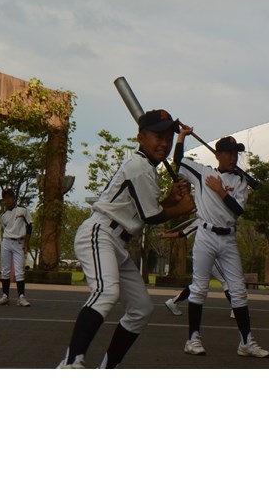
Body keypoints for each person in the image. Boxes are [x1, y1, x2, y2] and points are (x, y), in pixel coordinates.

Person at [57, 109, 195, 368]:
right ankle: (70, 363)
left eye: (168, 138)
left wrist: (171, 199)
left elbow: (146, 209)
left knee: (141, 309)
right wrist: (181, 208)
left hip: (116, 241)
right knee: (106, 292)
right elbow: (151, 216)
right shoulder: (139, 167)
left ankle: (109, 368)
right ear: (140, 138)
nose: (164, 143)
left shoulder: (146, 168)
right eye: (158, 136)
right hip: (99, 233)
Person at [174, 124, 269, 358]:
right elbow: (178, 161)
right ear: (218, 155)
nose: (233, 157)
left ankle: (246, 342)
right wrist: (182, 136)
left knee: (238, 290)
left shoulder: (240, 181)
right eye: (229, 153)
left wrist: (220, 190)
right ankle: (192, 339)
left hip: (228, 238)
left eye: (236, 153)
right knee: (199, 288)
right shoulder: (203, 172)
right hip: (206, 235)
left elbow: (238, 210)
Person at [161, 220, 235, 318]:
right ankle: (236, 309)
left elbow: (184, 232)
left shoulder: (210, 217)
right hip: (209, 254)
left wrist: (167, 235)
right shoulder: (203, 219)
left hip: (207, 253)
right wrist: (167, 235)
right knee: (226, 281)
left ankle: (174, 302)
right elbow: (183, 232)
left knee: (198, 284)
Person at [0, 189, 34, 307]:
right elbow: (5, 229)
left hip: (19, 242)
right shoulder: (4, 215)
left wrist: (26, 244)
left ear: (14, 198)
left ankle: (21, 297)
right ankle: (5, 296)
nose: (7, 201)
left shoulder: (22, 210)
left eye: (9, 198)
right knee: (5, 270)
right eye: (5, 198)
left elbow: (29, 227)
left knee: (19, 271)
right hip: (6, 241)